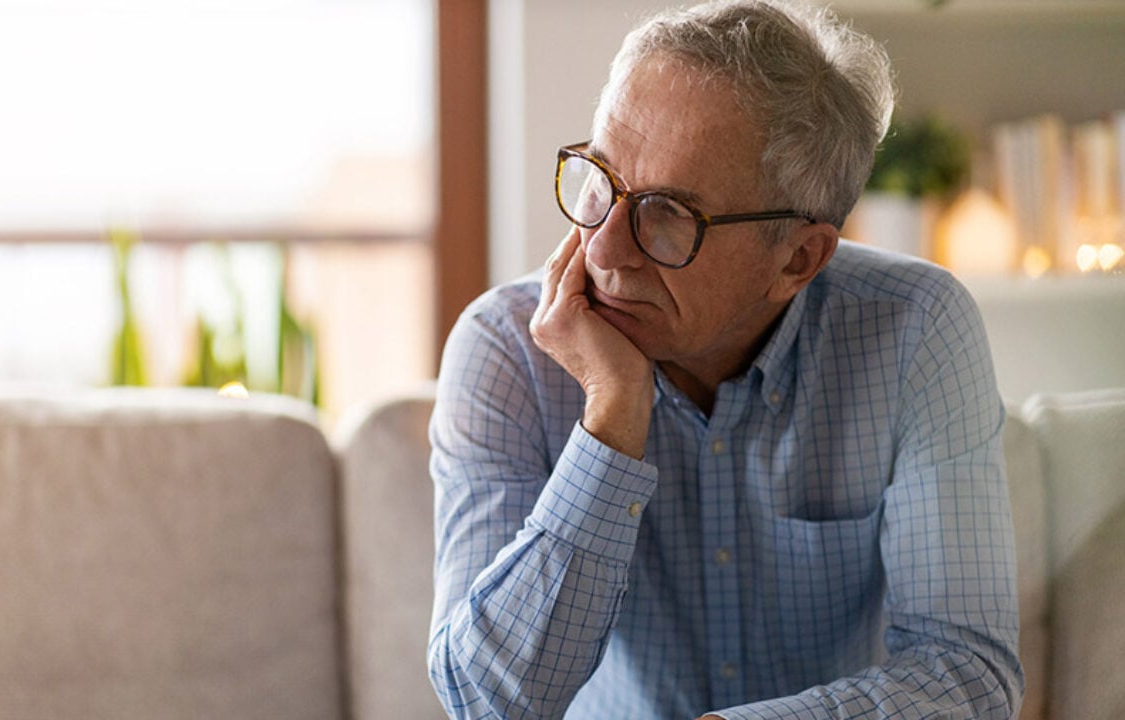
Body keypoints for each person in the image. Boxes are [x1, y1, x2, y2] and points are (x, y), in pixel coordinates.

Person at [426, 0, 1023, 718]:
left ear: (798, 259)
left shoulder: (915, 327)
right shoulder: (506, 348)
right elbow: (486, 702)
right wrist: (612, 419)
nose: (603, 248)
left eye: (668, 214)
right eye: (600, 177)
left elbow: (968, 675)